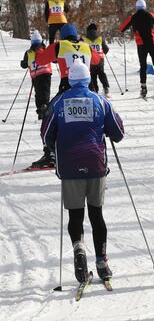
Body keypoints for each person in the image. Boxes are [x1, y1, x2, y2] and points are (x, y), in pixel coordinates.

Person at [41, 59, 124, 284]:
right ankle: (102, 262)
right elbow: (118, 132)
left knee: (75, 215)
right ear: (88, 79)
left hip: (69, 167)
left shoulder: (59, 103)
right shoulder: (100, 100)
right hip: (96, 165)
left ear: (70, 79)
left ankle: (79, 250)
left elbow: (46, 136)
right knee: (96, 214)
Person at [118, 0, 154, 98]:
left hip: (141, 45)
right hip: (152, 43)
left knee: (143, 66)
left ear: (136, 7)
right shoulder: (150, 15)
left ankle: (143, 87)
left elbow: (121, 29)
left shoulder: (133, 17)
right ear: (144, 7)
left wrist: (129, 27)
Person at [35, 23, 99, 93]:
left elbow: (40, 60)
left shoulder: (59, 45)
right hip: (87, 84)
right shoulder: (86, 46)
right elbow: (96, 60)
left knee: (54, 104)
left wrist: (39, 48)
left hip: (67, 84)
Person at [20, 30, 52, 120]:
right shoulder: (45, 50)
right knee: (45, 91)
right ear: (41, 41)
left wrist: (24, 63)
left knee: (38, 92)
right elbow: (53, 58)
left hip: (36, 75)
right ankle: (45, 106)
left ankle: (40, 108)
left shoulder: (28, 52)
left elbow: (24, 64)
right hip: (46, 73)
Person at [82, 23, 110, 96]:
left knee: (92, 75)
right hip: (100, 59)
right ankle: (106, 86)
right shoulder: (100, 38)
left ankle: (94, 90)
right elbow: (106, 50)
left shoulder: (83, 39)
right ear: (96, 30)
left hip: (89, 60)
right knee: (101, 73)